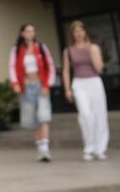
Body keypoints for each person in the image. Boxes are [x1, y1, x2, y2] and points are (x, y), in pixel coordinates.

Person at [9, 23, 56, 162]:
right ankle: (40, 148)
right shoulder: (17, 49)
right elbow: (11, 67)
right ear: (22, 33)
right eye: (27, 31)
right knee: (32, 119)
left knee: (44, 116)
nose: (30, 33)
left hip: (41, 85)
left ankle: (45, 148)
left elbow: (50, 66)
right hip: (26, 87)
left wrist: (48, 85)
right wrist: (15, 84)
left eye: (32, 31)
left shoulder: (41, 47)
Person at [62, 20, 109, 161]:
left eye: (81, 30)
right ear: (72, 34)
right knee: (85, 115)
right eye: (75, 31)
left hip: (94, 82)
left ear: (85, 31)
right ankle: (89, 148)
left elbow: (99, 69)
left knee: (99, 115)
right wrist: (67, 89)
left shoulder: (93, 47)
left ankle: (100, 149)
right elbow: (66, 70)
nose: (79, 33)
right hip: (79, 83)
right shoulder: (68, 50)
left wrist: (92, 52)